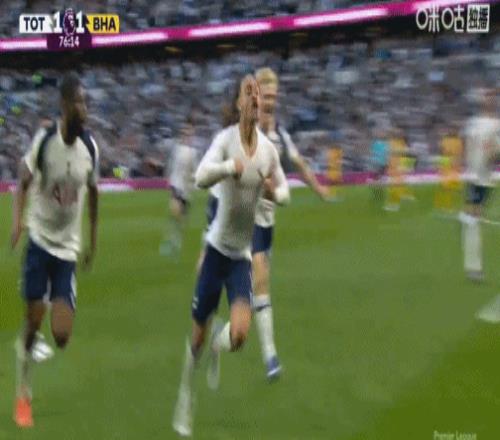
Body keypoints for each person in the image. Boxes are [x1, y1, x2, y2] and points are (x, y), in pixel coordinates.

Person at [172, 74, 290, 437]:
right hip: (215, 253)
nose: (255, 98)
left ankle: (218, 347)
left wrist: (273, 192)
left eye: (258, 94)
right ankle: (186, 395)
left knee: (239, 335)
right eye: (248, 93)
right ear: (239, 103)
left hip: (240, 257)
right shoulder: (224, 141)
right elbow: (200, 177)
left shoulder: (268, 150)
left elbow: (285, 192)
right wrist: (228, 168)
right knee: (195, 337)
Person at [10, 72, 99, 428]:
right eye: (79, 102)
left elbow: (94, 192)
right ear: (64, 106)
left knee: (61, 335)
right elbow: (23, 177)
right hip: (40, 240)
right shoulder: (46, 140)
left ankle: (38, 322)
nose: (84, 108)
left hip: (67, 250)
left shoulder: (90, 148)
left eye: (86, 102)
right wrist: (17, 221)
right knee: (33, 322)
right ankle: (23, 393)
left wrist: (93, 240)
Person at [252, 67, 328, 380]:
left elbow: (298, 164)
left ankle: (225, 330)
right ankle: (270, 356)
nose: (270, 101)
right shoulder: (243, 133)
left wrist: (318, 188)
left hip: (266, 222)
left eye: (274, 95)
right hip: (242, 221)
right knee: (260, 282)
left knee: (253, 292)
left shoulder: (281, 137)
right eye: (265, 95)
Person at [460, 88, 500, 282]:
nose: (491, 101)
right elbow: (468, 145)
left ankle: (473, 267)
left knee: (473, 219)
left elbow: (494, 153)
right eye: (488, 98)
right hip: (476, 177)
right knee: (473, 220)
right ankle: (474, 268)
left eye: (493, 98)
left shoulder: (494, 124)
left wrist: (492, 154)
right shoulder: (475, 123)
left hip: (484, 178)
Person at [160, 119, 197, 257]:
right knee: (174, 212)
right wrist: (169, 179)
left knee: (180, 219)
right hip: (176, 185)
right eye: (184, 132)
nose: (186, 135)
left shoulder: (193, 153)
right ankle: (170, 242)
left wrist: (192, 183)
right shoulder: (177, 149)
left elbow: (194, 171)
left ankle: (176, 241)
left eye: (189, 133)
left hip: (186, 190)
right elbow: (172, 165)